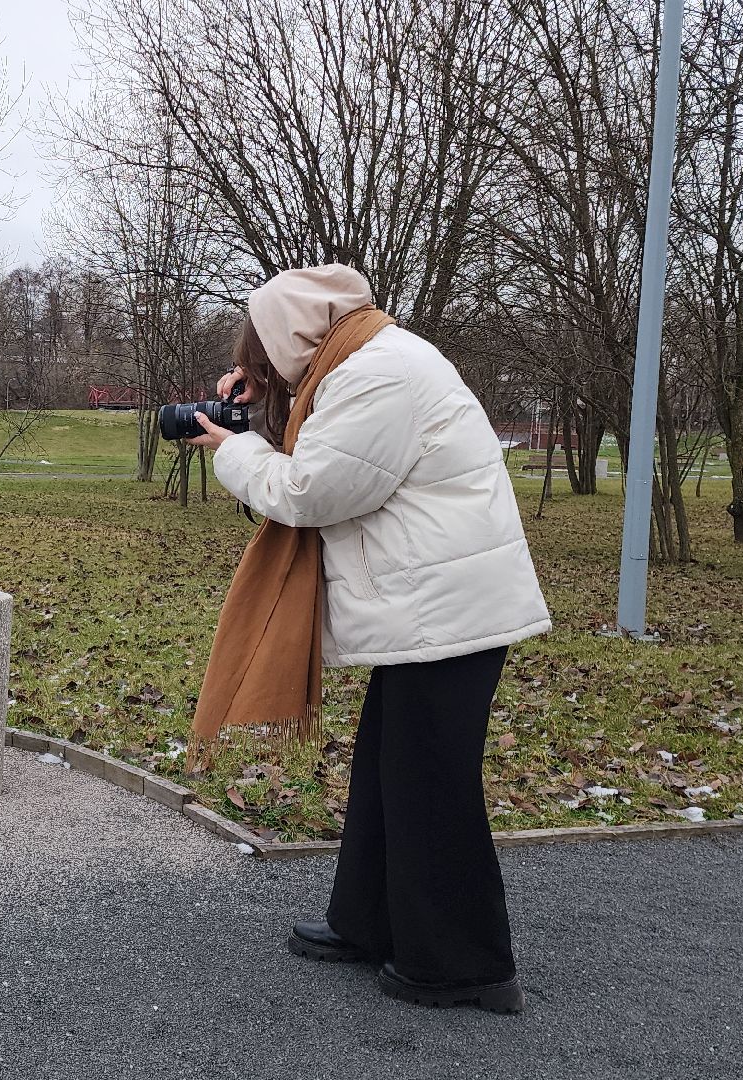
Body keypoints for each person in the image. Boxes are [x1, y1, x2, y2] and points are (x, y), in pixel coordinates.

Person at [186, 265, 550, 1014]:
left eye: (263, 354)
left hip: (450, 611)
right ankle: (369, 922)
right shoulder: (365, 362)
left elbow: (311, 490)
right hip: (437, 606)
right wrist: (265, 407)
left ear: (293, 337)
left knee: (430, 783)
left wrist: (233, 448)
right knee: (394, 770)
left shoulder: (377, 376)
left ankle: (466, 966)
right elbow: (326, 452)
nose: (259, 366)